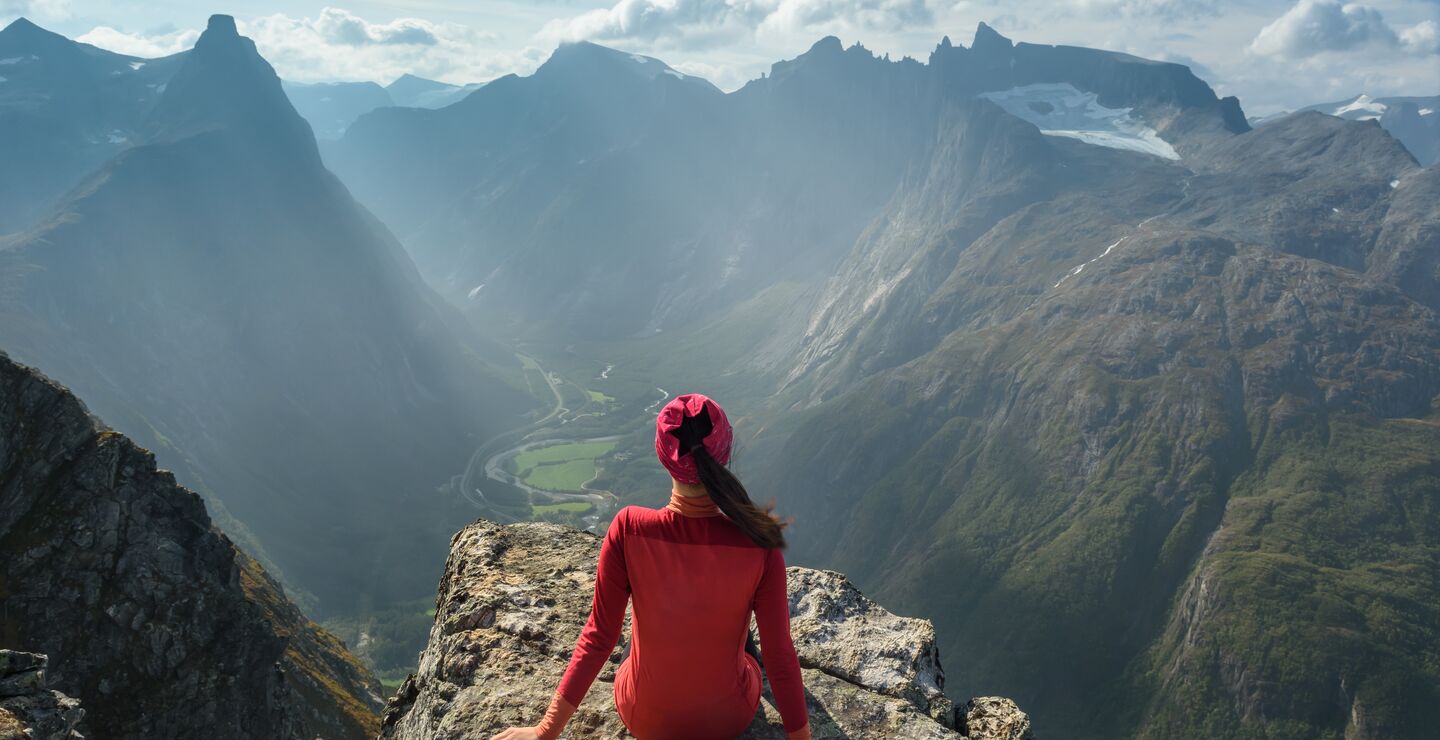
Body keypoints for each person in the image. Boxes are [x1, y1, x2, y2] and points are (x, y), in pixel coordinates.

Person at [491, 393, 811, 740]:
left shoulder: (629, 529)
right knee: (742, 632)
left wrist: (544, 732)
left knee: (636, 638)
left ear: (662, 455)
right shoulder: (758, 544)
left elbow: (599, 637)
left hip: (645, 719)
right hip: (728, 720)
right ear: (726, 451)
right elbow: (780, 656)